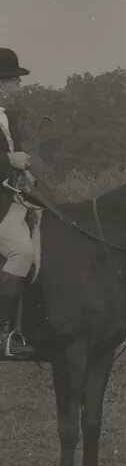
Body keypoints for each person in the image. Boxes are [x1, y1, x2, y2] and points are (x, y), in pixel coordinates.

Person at [0, 48, 35, 356]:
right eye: (16, 81)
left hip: (16, 198)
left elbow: (17, 162)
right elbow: (8, 160)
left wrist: (26, 173)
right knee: (22, 252)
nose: (19, 87)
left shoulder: (10, 117)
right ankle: (3, 332)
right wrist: (6, 160)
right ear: (1, 83)